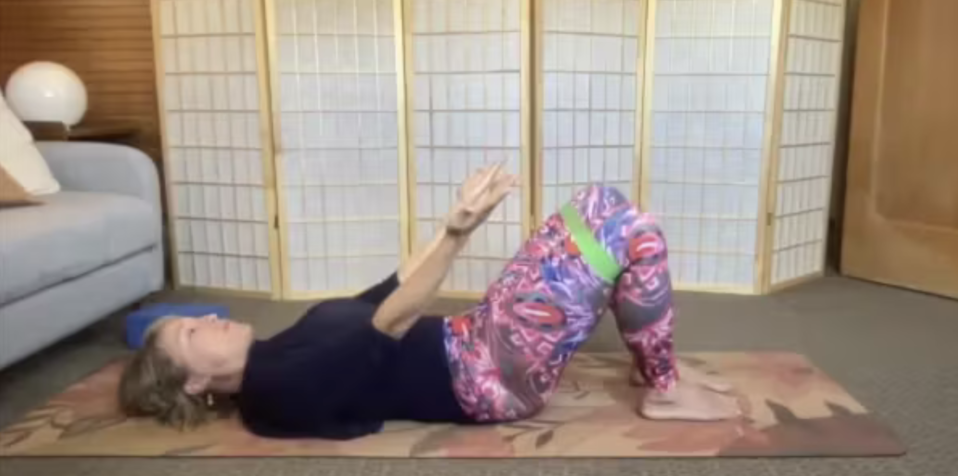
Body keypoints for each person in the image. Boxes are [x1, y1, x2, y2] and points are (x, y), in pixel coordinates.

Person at [119, 163, 740, 439]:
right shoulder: (275, 389)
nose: (208, 317)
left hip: (479, 335)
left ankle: (648, 360)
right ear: (196, 382)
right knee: (634, 233)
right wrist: (458, 231)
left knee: (601, 204)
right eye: (191, 333)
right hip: (490, 376)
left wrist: (453, 217)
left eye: (197, 315)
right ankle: (661, 385)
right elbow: (394, 320)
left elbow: (391, 287)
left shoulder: (281, 345)